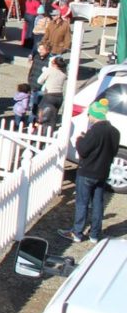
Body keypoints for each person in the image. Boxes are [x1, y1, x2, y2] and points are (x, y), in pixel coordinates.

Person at [60, 100, 120, 243]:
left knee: (82, 202)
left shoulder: (94, 131)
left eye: (89, 115)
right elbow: (114, 151)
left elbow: (83, 151)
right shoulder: (115, 132)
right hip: (102, 173)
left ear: (94, 115)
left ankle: (77, 232)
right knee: (98, 203)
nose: (89, 117)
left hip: (87, 172)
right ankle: (94, 234)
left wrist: (80, 139)